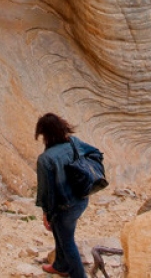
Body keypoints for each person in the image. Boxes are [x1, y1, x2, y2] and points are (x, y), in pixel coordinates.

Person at [35, 113, 96, 278]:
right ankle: (60, 265)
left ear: (45, 134)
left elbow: (45, 191)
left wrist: (46, 213)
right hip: (81, 199)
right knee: (62, 232)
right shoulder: (74, 143)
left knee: (67, 241)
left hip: (65, 206)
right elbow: (95, 153)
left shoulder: (45, 159)